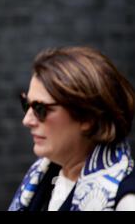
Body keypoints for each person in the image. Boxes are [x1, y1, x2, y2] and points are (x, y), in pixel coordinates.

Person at [9, 46, 135, 211]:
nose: (27, 120)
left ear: (87, 117)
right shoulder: (42, 176)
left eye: (40, 109)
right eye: (26, 105)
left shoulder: (125, 202)